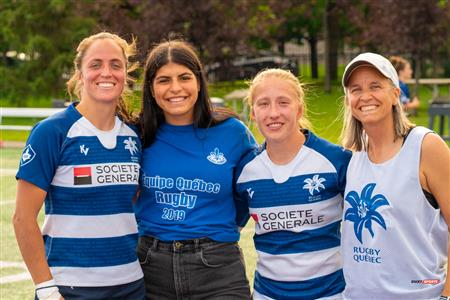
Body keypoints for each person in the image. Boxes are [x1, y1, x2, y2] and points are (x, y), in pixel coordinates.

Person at [13, 32, 145, 299]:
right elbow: (23, 218)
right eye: (95, 64)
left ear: (125, 74)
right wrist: (45, 287)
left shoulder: (135, 135)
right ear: (80, 73)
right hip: (70, 288)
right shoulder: (52, 131)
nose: (106, 72)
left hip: (132, 285)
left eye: (115, 65)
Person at [134, 39, 256, 299]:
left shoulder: (233, 133)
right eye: (164, 80)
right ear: (151, 89)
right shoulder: (138, 135)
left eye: (184, 77)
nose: (175, 88)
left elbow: (251, 191)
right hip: (150, 267)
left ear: (199, 82)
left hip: (218, 267)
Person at [340, 52, 450, 299]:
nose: (365, 96)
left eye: (375, 86)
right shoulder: (352, 155)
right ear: (348, 100)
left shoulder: (425, 146)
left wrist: (446, 294)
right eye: (355, 89)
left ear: (395, 94)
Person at [236, 68, 352, 300]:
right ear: (253, 114)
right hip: (267, 294)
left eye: (283, 102)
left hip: (330, 293)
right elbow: (231, 231)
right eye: (263, 104)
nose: (273, 113)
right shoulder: (246, 170)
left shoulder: (336, 160)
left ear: (299, 109)